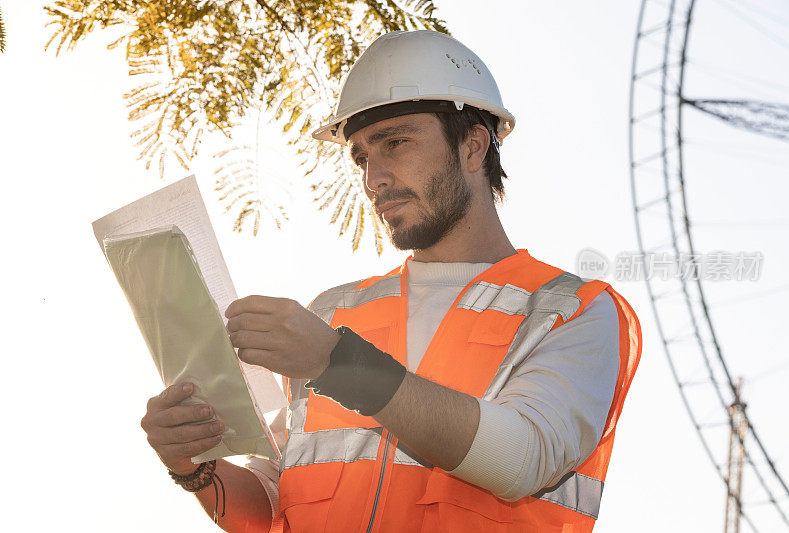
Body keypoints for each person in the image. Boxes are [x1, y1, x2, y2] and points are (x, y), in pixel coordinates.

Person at [140, 30, 641, 532]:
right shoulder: (332, 313)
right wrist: (197, 468)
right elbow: (274, 500)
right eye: (360, 157)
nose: (372, 178)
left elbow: (523, 455)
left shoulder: (570, 311)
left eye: (395, 144)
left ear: (473, 147)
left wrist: (335, 363)